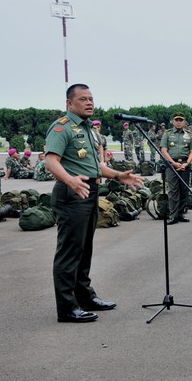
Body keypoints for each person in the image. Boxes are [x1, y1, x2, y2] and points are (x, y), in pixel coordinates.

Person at [44, 83, 144, 323]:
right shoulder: (62, 128)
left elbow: (95, 166)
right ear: (69, 103)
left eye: (91, 98)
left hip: (89, 190)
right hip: (72, 194)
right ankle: (67, 308)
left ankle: (85, 297)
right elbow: (51, 160)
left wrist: (119, 176)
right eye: (82, 99)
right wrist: (70, 180)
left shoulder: (89, 130)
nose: (89, 102)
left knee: (84, 250)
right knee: (69, 253)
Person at [160, 111, 192, 225]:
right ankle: (173, 216)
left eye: (181, 120)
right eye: (177, 120)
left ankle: (180, 214)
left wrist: (187, 163)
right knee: (173, 191)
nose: (179, 122)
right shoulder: (167, 133)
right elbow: (164, 150)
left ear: (185, 122)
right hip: (172, 165)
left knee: (184, 191)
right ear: (173, 122)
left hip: (185, 165)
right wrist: (173, 163)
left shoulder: (189, 134)